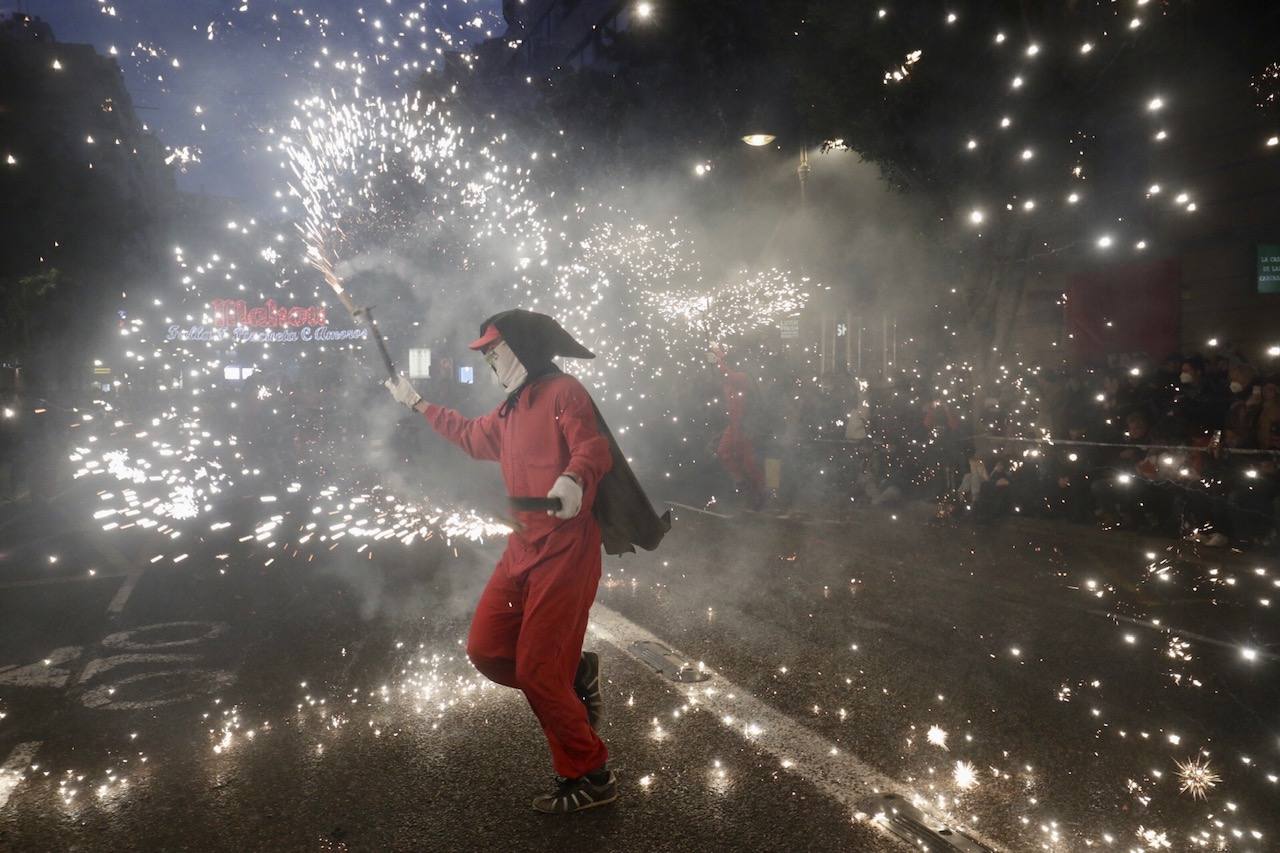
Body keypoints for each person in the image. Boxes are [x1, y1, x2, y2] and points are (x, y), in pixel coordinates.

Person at [385, 309, 639, 814]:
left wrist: (574, 478)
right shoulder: (510, 410)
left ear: (520, 348)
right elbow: (469, 434)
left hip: (566, 554)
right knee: (487, 648)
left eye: (494, 352)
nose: (490, 362)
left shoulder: (565, 392)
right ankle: (575, 676)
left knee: (538, 671)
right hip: (521, 547)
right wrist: (417, 404)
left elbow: (592, 448)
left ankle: (591, 774)